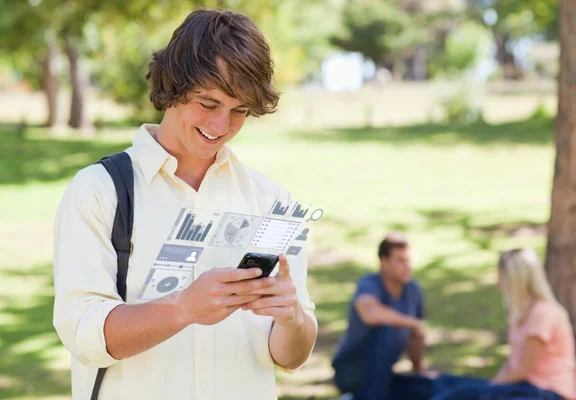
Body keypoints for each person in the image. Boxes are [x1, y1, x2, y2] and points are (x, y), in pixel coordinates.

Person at [53, 9, 317, 400]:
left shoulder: (272, 201)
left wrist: (292, 317)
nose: (222, 125)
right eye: (208, 104)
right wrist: (183, 308)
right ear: (173, 86)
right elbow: (83, 335)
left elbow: (289, 357)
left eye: (239, 110)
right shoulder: (99, 191)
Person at [431, 248, 576, 400]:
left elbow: (523, 370)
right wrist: (490, 387)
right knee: (456, 391)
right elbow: (512, 363)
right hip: (524, 387)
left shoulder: (543, 313)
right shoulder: (520, 313)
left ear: (515, 281)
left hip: (549, 392)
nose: (499, 284)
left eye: (501, 278)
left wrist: (489, 389)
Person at [332, 232, 430, 400]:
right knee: (386, 329)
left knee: (424, 388)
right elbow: (370, 314)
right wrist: (411, 322)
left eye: (409, 260)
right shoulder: (369, 283)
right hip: (351, 369)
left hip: (383, 373)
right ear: (383, 262)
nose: (407, 266)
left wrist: (418, 371)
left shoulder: (413, 290)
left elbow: (415, 338)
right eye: (400, 260)